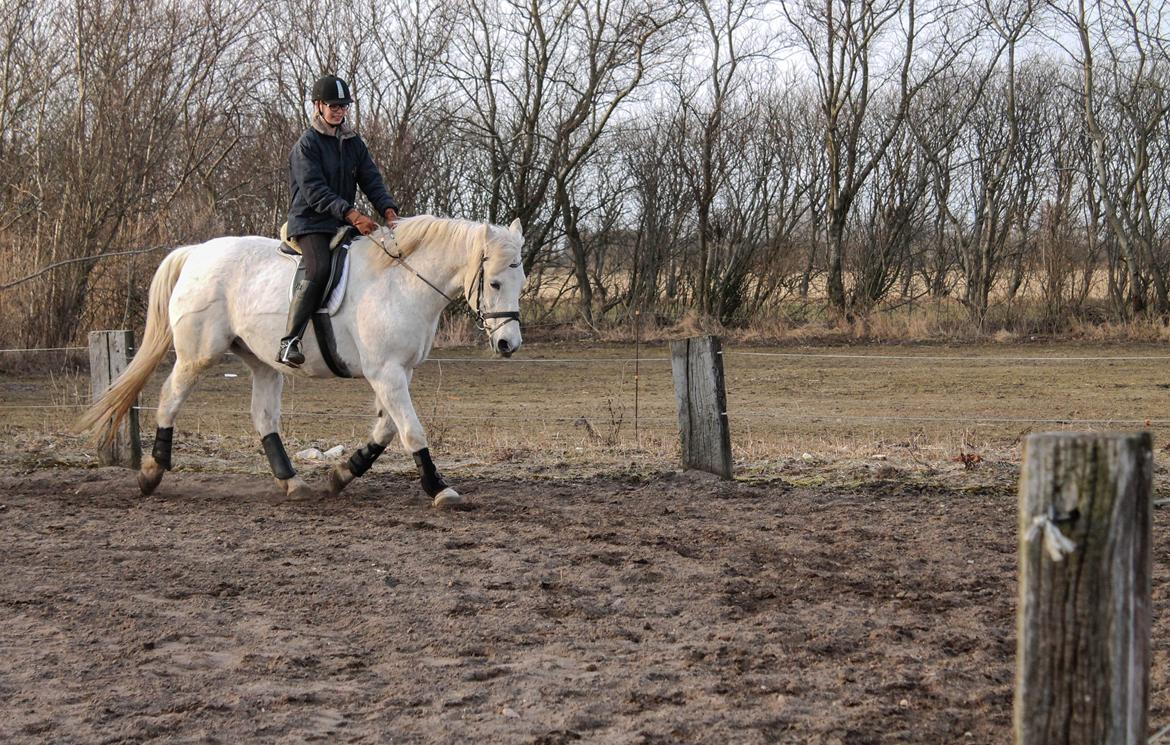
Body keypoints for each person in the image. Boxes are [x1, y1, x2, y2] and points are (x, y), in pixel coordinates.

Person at [278, 74, 400, 367]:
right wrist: (352, 214)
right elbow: (315, 191)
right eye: (334, 106)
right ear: (318, 106)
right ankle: (290, 341)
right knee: (319, 270)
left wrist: (388, 209)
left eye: (343, 106)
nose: (339, 111)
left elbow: (371, 179)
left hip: (341, 223)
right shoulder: (306, 146)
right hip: (310, 222)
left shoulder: (353, 142)